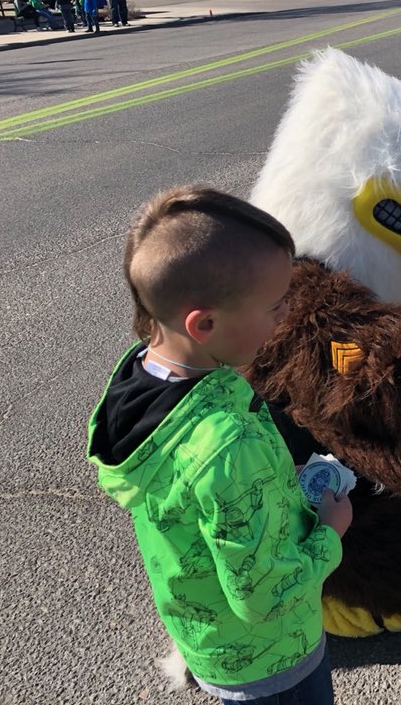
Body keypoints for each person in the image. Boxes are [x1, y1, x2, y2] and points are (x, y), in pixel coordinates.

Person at [87, 185, 353, 705]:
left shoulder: (143, 380)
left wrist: (272, 479)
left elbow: (202, 495)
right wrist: (329, 534)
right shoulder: (226, 450)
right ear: (204, 324)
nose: (285, 316)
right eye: (275, 306)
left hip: (211, 638)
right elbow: (263, 596)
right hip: (272, 659)